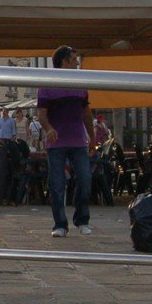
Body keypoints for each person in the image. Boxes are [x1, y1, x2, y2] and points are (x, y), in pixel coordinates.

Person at [35, 45, 96, 237]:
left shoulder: (80, 85)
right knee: (56, 184)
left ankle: (82, 219)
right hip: (57, 142)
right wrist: (49, 129)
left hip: (78, 141)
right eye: (74, 59)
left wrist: (92, 137)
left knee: (85, 179)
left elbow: (86, 113)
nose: (77, 63)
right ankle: (60, 224)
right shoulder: (47, 85)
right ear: (64, 62)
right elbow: (41, 114)